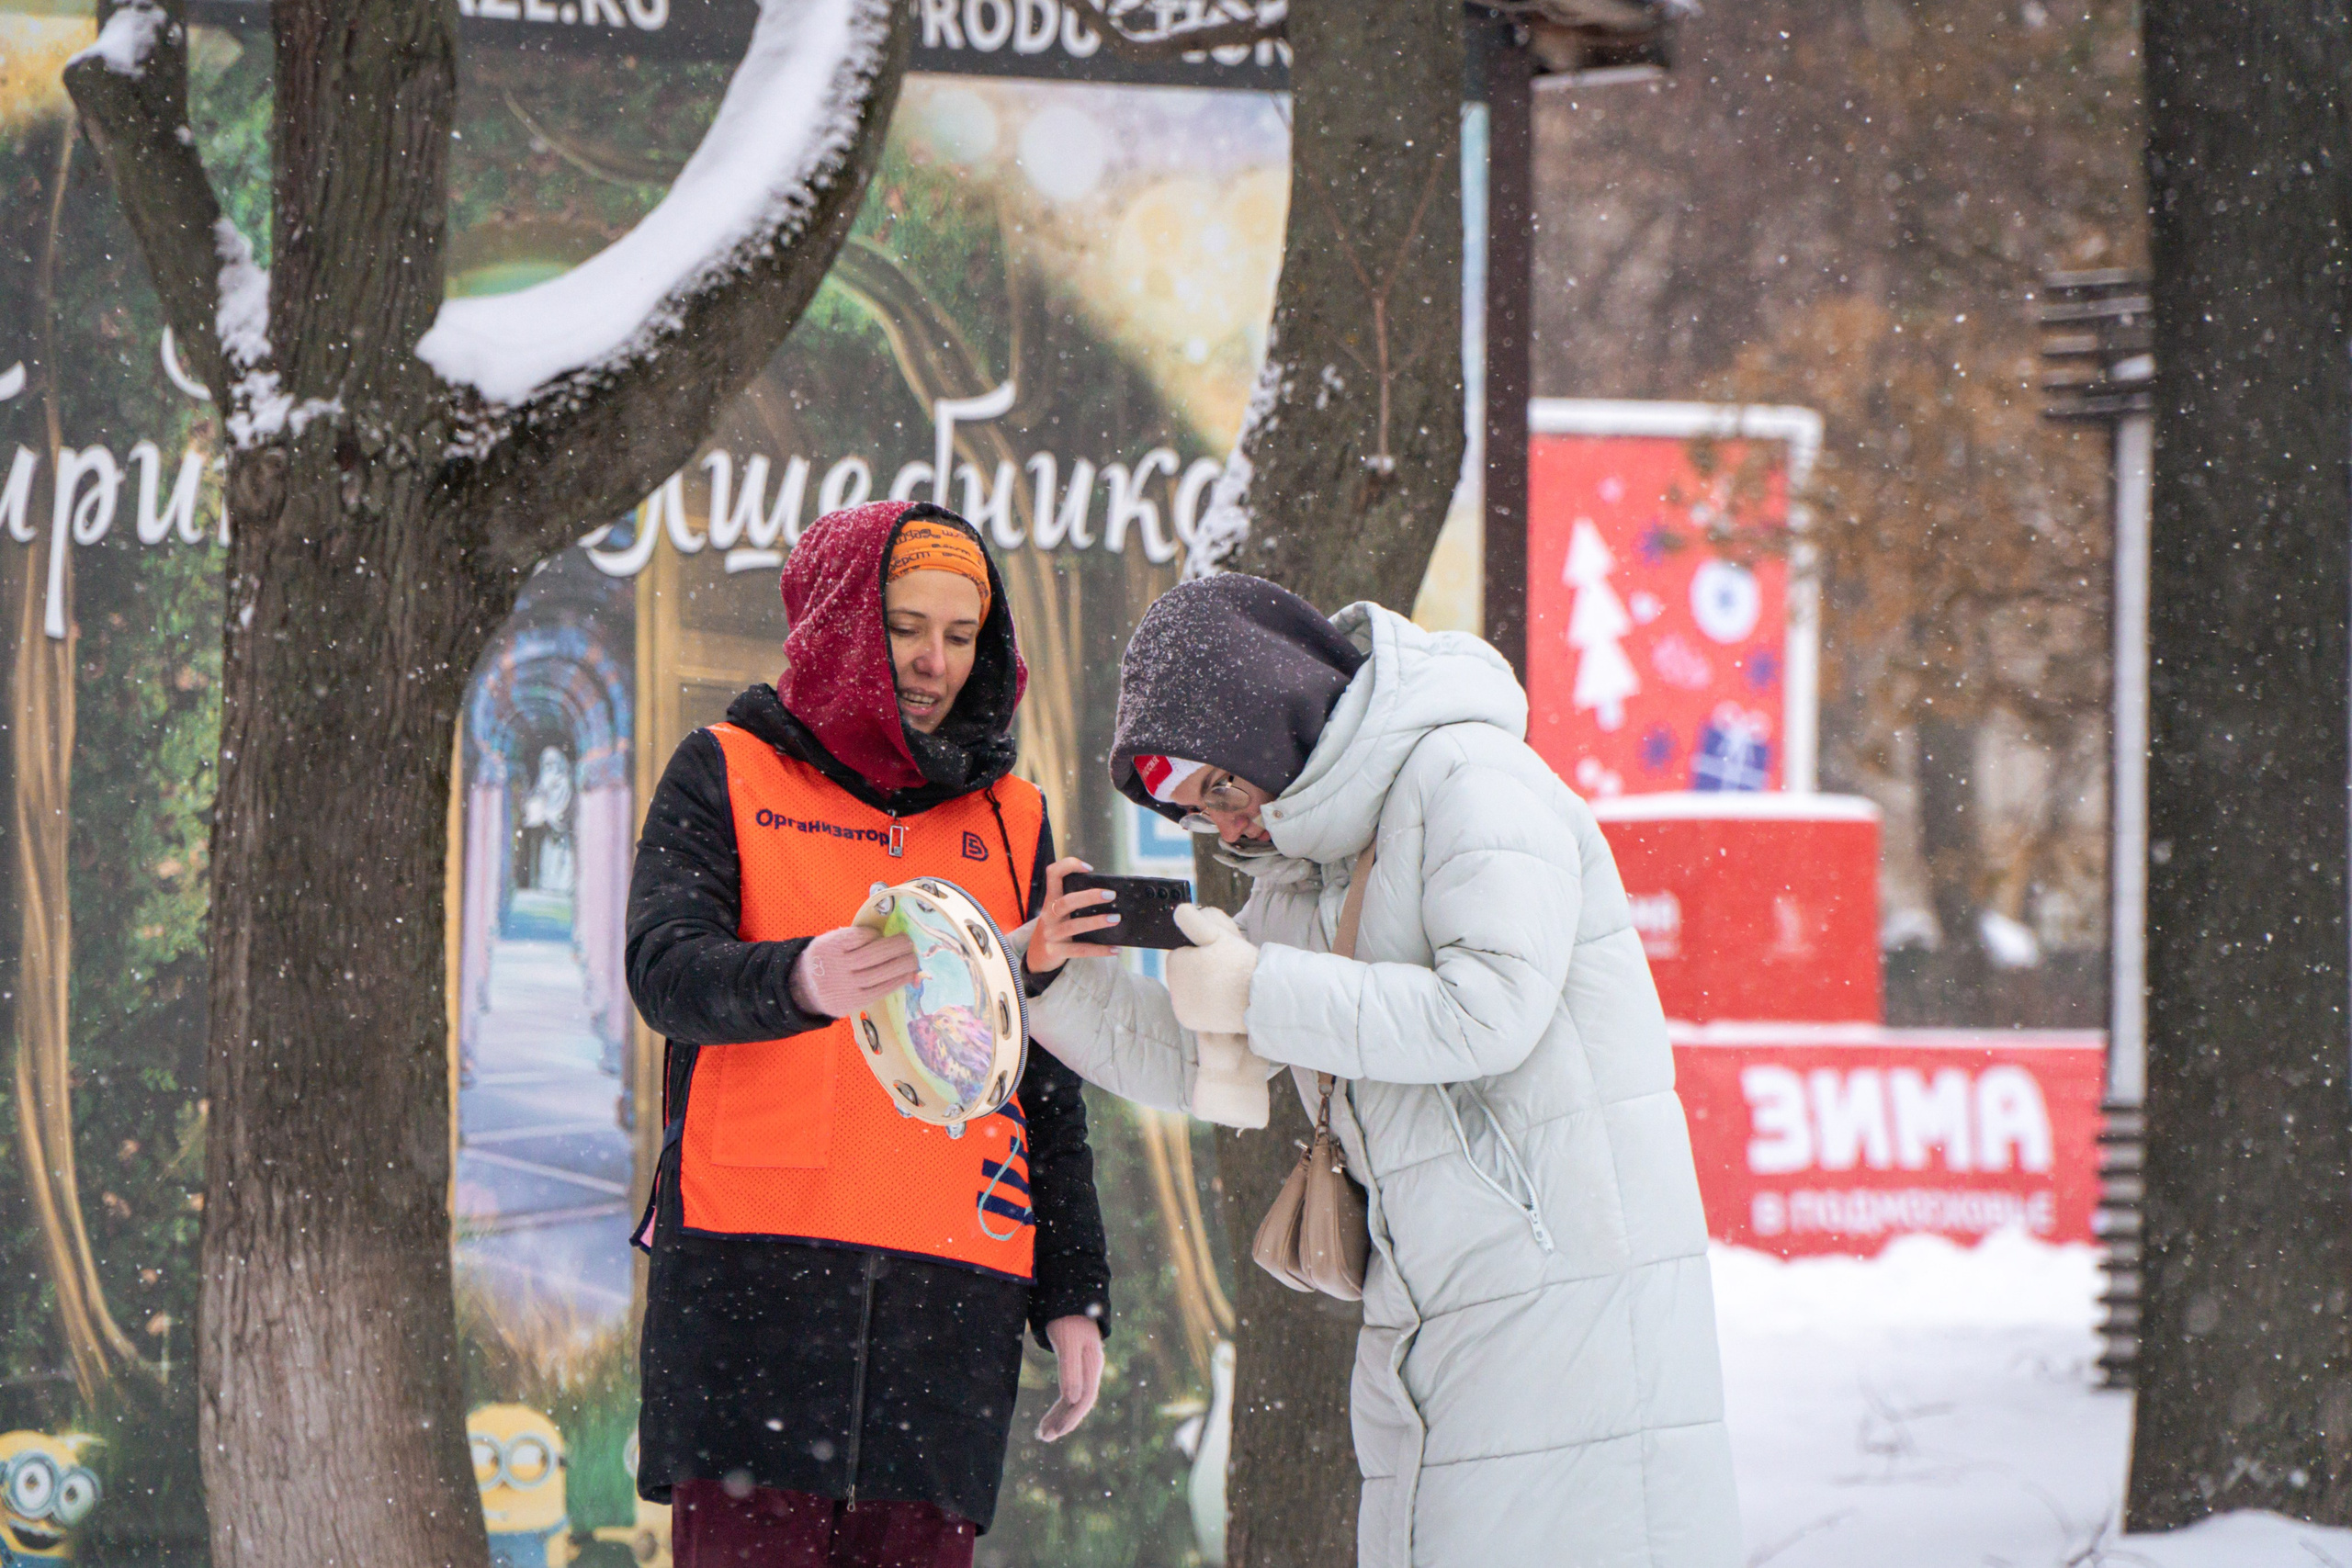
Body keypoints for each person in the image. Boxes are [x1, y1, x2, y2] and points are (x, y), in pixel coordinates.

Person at [1020, 574, 1740, 1568]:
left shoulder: (1470, 777)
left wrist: (1256, 986)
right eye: (1197, 812)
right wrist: (1048, 982)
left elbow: (1488, 1010)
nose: (1226, 827)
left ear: (1272, 719)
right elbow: (1206, 1053)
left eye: (1222, 788)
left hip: (1558, 1287)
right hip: (1430, 1296)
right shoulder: (1309, 865)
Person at [625, 500, 1110, 1568]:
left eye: (958, 633)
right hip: (756, 1287)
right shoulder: (726, 769)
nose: (932, 661)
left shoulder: (1012, 817)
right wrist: (797, 976)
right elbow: (663, 972)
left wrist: (1071, 1290)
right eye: (903, 626)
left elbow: (1045, 1073)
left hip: (951, 1301)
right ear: (841, 618)